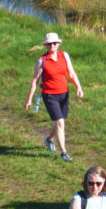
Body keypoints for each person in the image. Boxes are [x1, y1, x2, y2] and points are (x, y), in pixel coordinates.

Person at [25, 31, 84, 162]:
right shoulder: (42, 61)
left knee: (59, 121)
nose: (52, 46)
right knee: (60, 122)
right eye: (49, 44)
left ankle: (49, 139)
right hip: (49, 95)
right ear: (46, 45)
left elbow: (71, 73)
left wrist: (78, 87)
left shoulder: (64, 56)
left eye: (54, 43)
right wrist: (29, 99)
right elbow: (35, 80)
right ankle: (64, 153)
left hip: (64, 93)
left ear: (58, 44)